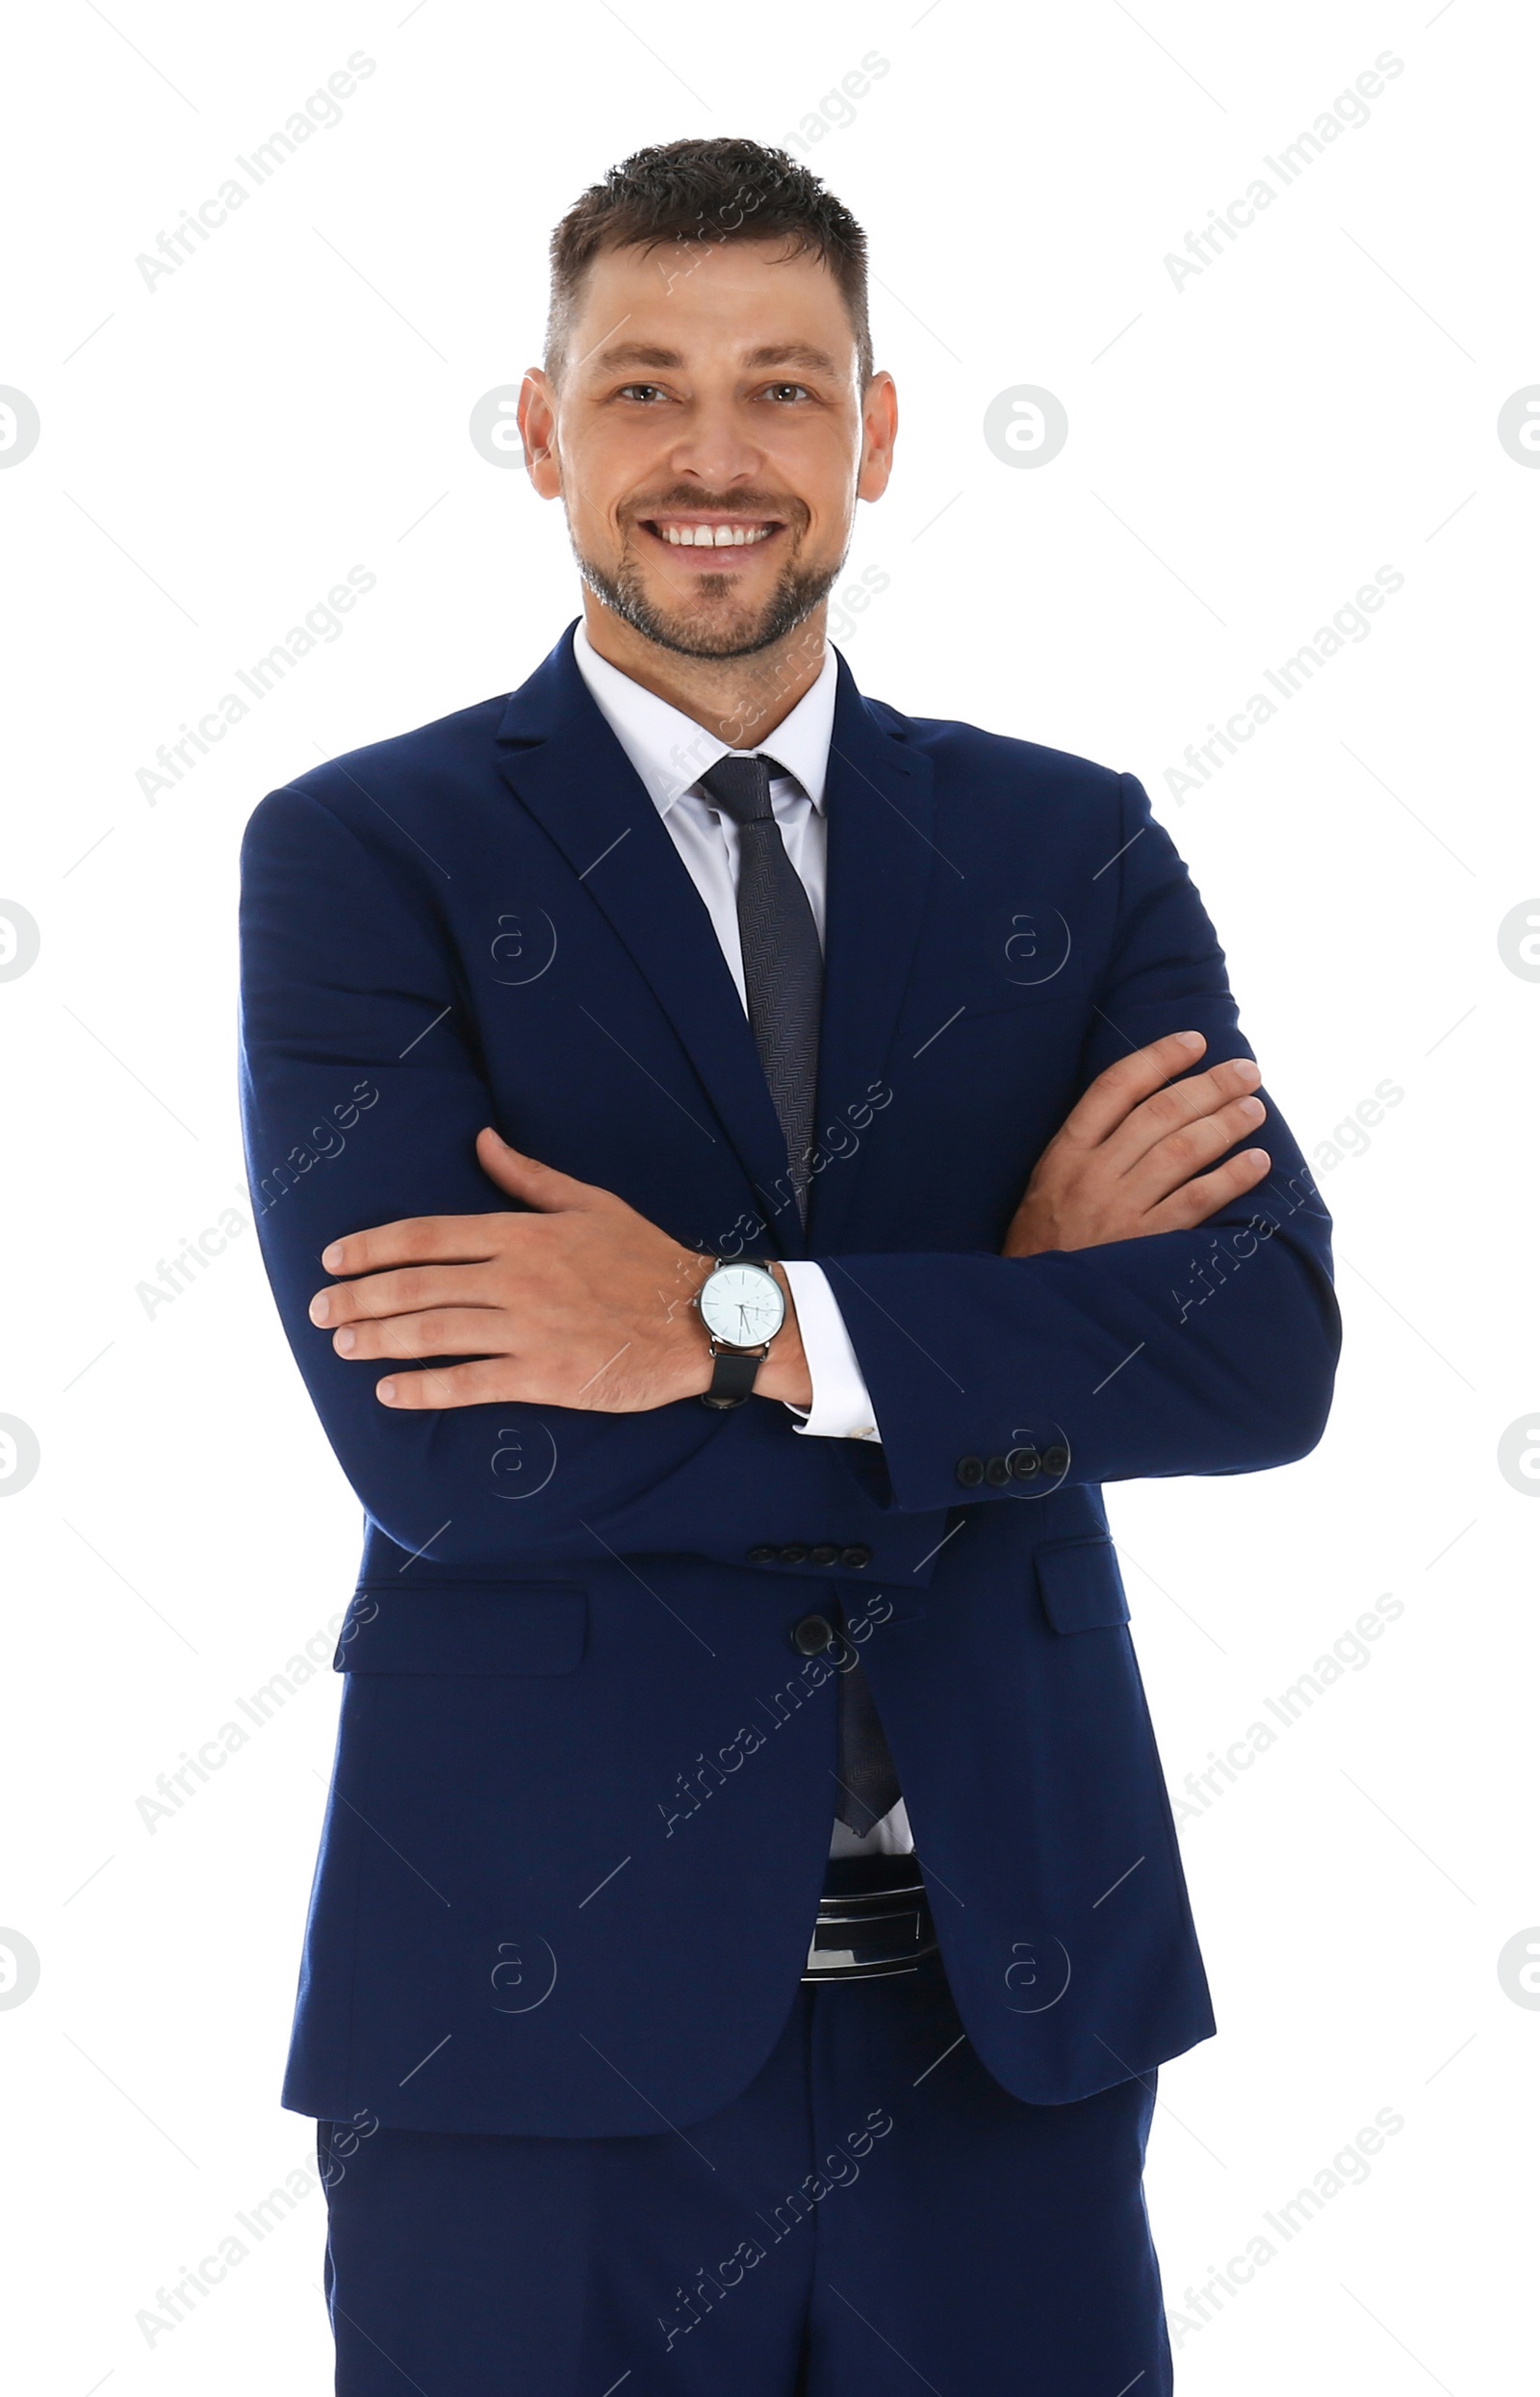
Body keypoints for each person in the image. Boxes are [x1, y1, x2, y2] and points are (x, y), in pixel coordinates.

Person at [237, 136, 1340, 2396]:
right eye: (642, 389)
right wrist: (1004, 1334)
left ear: (876, 430)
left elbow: (1259, 1358)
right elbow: (458, 1460)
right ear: (542, 430)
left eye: (782, 388)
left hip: (1007, 2012)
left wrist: (727, 1328)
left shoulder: (1068, 840)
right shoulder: (370, 855)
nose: (712, 457)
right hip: (529, 2022)